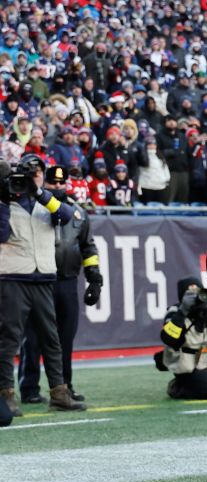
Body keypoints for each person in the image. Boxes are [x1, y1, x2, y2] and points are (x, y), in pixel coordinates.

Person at [0, 154, 86, 414]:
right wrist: (4, 200)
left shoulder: (46, 202)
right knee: (9, 339)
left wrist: (37, 193)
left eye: (36, 173)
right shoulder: (5, 203)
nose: (27, 179)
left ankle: (60, 393)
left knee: (52, 339)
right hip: (14, 277)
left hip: (45, 278)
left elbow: (67, 215)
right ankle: (7, 396)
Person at [18, 165, 102, 404]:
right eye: (52, 183)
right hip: (39, 281)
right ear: (44, 184)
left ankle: (64, 386)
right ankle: (29, 387)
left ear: (67, 184)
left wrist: (94, 278)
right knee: (33, 337)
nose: (57, 187)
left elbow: (88, 246)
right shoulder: (32, 209)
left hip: (67, 281)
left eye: (61, 183)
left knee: (65, 338)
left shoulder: (78, 213)